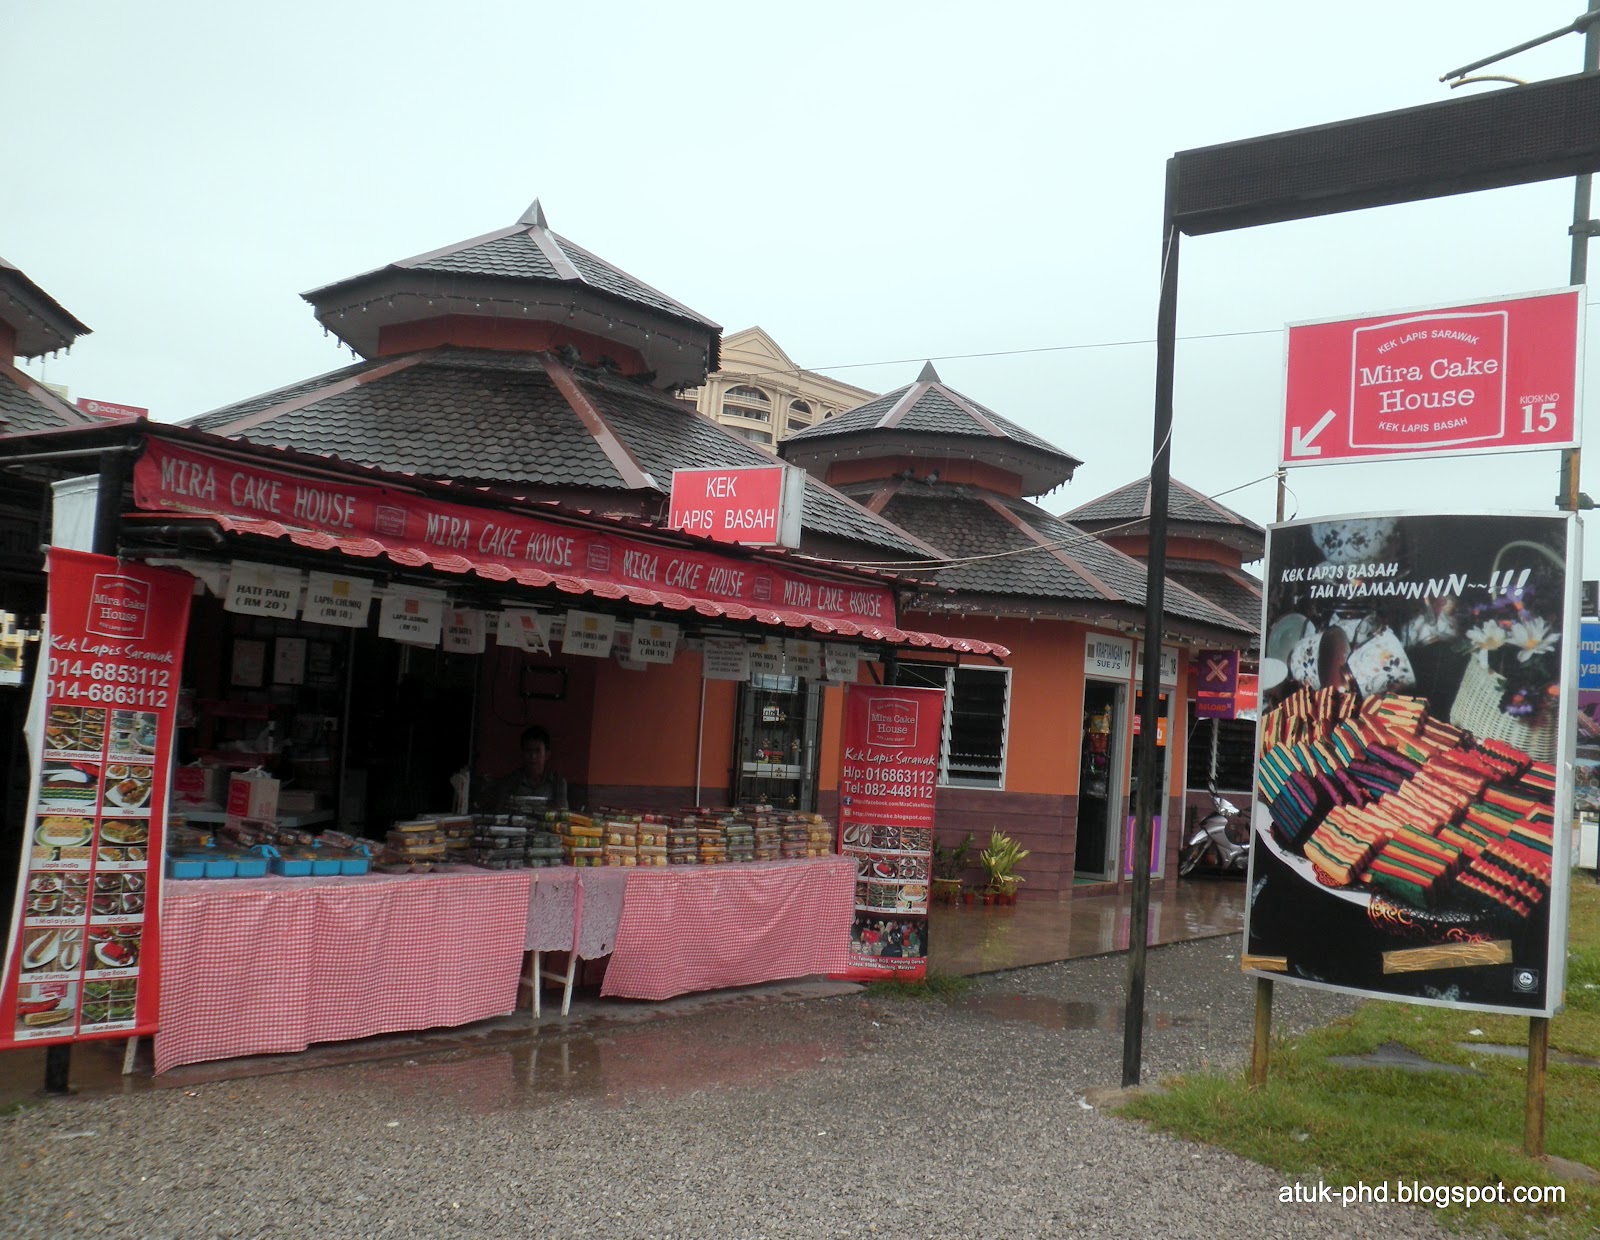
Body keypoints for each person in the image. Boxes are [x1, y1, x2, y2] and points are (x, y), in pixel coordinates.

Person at [482, 724, 568, 812]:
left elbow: (562, 813)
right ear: (522, 753)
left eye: (537, 751)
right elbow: (499, 811)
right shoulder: (510, 781)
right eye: (528, 751)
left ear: (547, 755)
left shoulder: (558, 783)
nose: (533, 756)